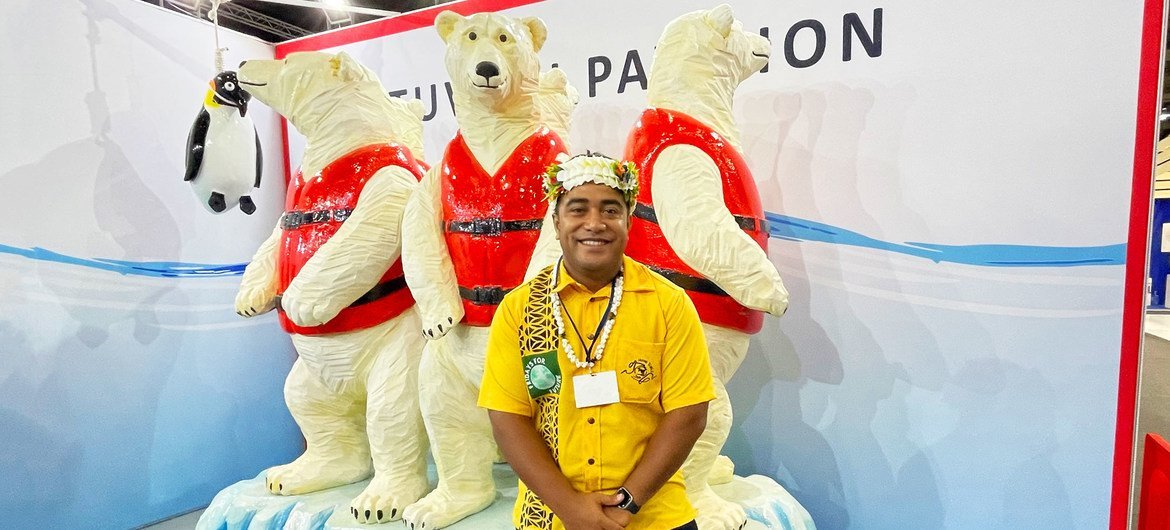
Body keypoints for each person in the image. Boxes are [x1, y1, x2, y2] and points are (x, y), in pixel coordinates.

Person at [478, 152, 716, 530]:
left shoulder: (669, 304)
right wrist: (571, 509)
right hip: (551, 517)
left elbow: (688, 415)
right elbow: (508, 419)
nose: (594, 223)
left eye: (610, 210)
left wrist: (627, 505)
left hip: (653, 516)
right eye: (577, 210)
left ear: (628, 222)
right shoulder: (521, 309)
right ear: (556, 223)